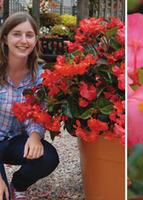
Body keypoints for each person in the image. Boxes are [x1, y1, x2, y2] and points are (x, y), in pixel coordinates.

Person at [0, 12, 59, 200]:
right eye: (17, 34)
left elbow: (37, 114)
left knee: (49, 157)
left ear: (35, 40)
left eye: (29, 35)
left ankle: (17, 185)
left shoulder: (39, 76)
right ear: (5, 38)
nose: (23, 40)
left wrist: (34, 136)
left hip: (13, 141)